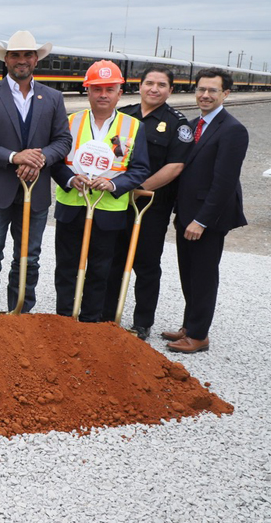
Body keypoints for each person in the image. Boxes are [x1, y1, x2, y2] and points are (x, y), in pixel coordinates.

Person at [0, 31, 71, 318]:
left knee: (28, 259)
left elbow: (62, 140)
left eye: (27, 55)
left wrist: (39, 159)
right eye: (15, 55)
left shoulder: (53, 98)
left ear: (36, 59)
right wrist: (14, 157)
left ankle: (20, 315)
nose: (21, 60)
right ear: (6, 59)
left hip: (34, 193)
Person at [50, 60, 150, 322]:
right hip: (72, 207)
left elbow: (140, 170)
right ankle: (63, 318)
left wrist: (114, 184)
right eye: (97, 89)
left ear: (120, 92)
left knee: (100, 268)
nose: (103, 95)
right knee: (66, 267)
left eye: (109, 89)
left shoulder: (133, 126)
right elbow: (55, 162)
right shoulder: (69, 122)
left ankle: (91, 321)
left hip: (109, 211)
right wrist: (71, 180)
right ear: (87, 91)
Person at [164, 68, 248, 353]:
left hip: (208, 219)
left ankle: (199, 336)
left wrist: (201, 221)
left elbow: (224, 184)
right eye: (201, 89)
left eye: (213, 90)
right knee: (188, 273)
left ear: (225, 93)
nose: (205, 95)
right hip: (186, 214)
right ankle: (189, 325)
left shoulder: (233, 130)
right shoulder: (192, 125)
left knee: (203, 275)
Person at [102, 65, 190, 339]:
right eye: (149, 83)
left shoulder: (177, 123)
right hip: (115, 201)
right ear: (139, 86)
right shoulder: (123, 116)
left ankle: (142, 322)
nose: (154, 88)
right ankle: (106, 316)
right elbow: (110, 154)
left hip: (151, 205)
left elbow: (175, 166)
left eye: (161, 85)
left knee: (147, 264)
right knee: (112, 259)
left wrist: (137, 188)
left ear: (170, 90)